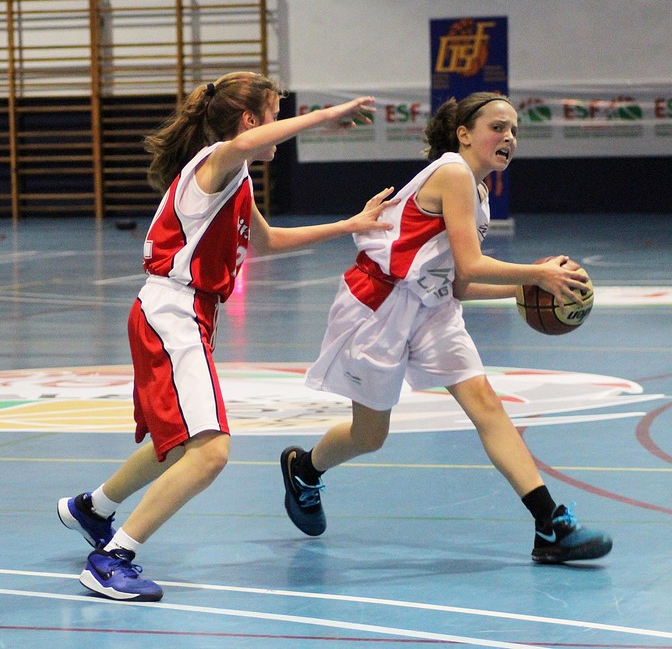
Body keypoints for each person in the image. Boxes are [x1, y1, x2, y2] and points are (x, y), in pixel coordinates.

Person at [57, 71, 397, 601]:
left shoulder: (236, 179)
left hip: (184, 313)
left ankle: (93, 508)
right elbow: (244, 145)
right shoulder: (219, 160)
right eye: (275, 114)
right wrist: (328, 115)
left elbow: (266, 240)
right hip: (172, 311)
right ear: (251, 118)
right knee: (212, 451)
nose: (279, 126)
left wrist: (351, 225)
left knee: (179, 444)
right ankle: (113, 558)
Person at [279, 92, 613, 565]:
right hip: (379, 304)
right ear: (464, 135)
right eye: (498, 127)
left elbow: (460, 284)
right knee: (370, 435)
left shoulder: (478, 192)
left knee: (487, 405)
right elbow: (473, 263)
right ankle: (303, 469)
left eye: (514, 130)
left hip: (432, 307)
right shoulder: (453, 172)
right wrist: (537, 276)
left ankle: (549, 525)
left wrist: (532, 293)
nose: (509, 137)